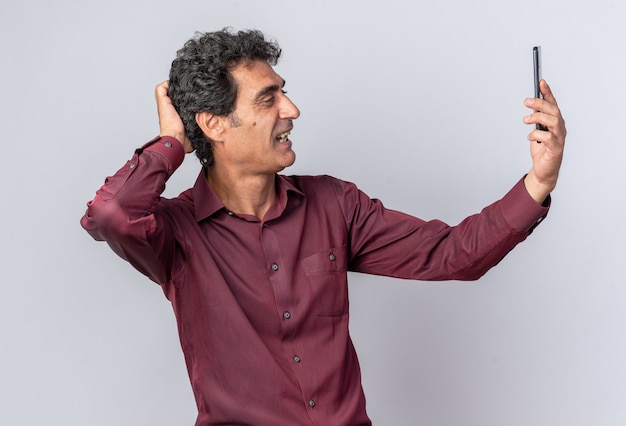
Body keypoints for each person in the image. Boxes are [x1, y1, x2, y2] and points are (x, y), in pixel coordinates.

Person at [80, 28, 566, 425]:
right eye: (269, 99)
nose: (291, 110)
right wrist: (171, 143)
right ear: (214, 125)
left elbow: (453, 253)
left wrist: (539, 181)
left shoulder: (334, 204)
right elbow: (110, 215)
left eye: (284, 92)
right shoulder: (175, 233)